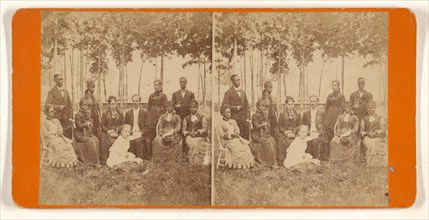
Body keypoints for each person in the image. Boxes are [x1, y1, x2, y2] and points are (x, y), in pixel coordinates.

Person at [250, 98, 278, 168]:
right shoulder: (254, 115)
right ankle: (270, 163)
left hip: (263, 133)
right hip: (257, 135)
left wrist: (267, 127)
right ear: (257, 106)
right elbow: (256, 126)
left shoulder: (264, 114)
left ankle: (274, 161)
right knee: (269, 142)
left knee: (273, 140)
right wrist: (263, 125)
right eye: (261, 106)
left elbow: (266, 124)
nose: (262, 107)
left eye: (263, 106)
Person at [171, 77, 196, 158]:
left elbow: (193, 105)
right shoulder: (175, 94)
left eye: (184, 82)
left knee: (186, 133)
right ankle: (177, 152)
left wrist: (182, 106)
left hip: (188, 117)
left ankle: (186, 152)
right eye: (181, 82)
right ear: (179, 83)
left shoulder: (191, 94)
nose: (182, 83)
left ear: (186, 82)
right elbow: (172, 106)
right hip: (178, 118)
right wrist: (176, 106)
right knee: (178, 134)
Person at [221, 74, 251, 140]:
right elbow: (224, 106)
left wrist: (248, 118)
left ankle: (246, 150)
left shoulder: (243, 92)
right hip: (234, 119)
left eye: (239, 80)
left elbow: (247, 106)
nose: (238, 81)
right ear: (232, 81)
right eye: (236, 80)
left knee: (245, 138)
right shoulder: (228, 92)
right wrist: (235, 108)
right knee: (236, 138)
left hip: (244, 120)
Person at [73, 97, 101, 166]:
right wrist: (86, 124)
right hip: (79, 134)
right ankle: (91, 161)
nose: (85, 107)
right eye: (83, 105)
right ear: (80, 105)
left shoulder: (87, 113)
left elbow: (90, 123)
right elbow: (79, 126)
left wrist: (91, 123)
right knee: (91, 141)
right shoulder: (78, 115)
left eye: (86, 105)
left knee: (96, 140)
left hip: (86, 133)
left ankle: (97, 161)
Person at [45, 74, 73, 139]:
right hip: (57, 119)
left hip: (67, 120)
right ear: (55, 81)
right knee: (59, 138)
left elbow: (70, 106)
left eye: (62, 79)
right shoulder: (51, 92)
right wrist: (59, 107)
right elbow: (47, 105)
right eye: (59, 79)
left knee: (68, 138)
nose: (61, 81)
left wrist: (71, 117)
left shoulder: (66, 92)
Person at [123, 95, 151, 160]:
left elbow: (147, 126)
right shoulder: (128, 113)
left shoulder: (145, 113)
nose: (135, 102)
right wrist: (129, 131)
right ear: (132, 102)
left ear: (139, 102)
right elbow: (125, 124)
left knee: (137, 141)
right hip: (130, 133)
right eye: (134, 101)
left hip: (141, 133)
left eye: (137, 101)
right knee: (130, 141)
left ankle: (139, 159)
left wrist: (141, 132)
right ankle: (131, 159)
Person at [182, 100, 210, 164]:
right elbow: (183, 130)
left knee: (198, 142)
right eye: (191, 107)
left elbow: (205, 129)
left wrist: (198, 132)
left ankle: (199, 160)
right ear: (189, 108)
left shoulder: (202, 117)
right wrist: (188, 133)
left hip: (199, 136)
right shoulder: (186, 118)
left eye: (194, 107)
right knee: (192, 142)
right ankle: (192, 159)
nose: (192, 109)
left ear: (197, 108)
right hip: (189, 137)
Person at [301, 95, 328, 160]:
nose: (312, 103)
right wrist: (306, 133)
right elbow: (303, 125)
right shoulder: (306, 113)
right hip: (308, 133)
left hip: (318, 134)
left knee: (315, 141)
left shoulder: (322, 113)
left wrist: (319, 133)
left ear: (317, 103)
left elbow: (326, 125)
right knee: (307, 141)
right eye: (311, 101)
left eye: (314, 101)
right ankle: (308, 159)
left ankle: (317, 159)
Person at [360, 101, 387, 166]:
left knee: (375, 143)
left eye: (372, 108)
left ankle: (374, 162)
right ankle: (369, 161)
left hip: (377, 137)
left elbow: (383, 129)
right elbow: (361, 130)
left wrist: (376, 132)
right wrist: (367, 133)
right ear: (367, 109)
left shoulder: (380, 118)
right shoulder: (364, 119)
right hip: (367, 137)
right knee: (369, 143)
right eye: (369, 108)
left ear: (375, 108)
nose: (370, 110)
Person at [277, 96, 301, 166]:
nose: (290, 106)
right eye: (289, 104)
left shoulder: (298, 114)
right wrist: (285, 131)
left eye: (292, 104)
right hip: (285, 133)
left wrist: (295, 130)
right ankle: (282, 161)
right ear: (286, 105)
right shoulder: (282, 114)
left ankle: (294, 160)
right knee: (281, 141)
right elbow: (279, 126)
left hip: (294, 133)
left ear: (294, 105)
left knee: (297, 141)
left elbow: (299, 124)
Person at [99, 95, 123, 165]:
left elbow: (122, 123)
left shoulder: (120, 113)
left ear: (116, 104)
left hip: (117, 132)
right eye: (111, 104)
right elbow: (102, 125)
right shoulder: (105, 114)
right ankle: (105, 160)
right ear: (109, 104)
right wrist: (108, 131)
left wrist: (118, 129)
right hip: (108, 133)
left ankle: (117, 160)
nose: (113, 106)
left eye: (114, 104)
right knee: (104, 141)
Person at [325, 80, 346, 144]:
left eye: (335, 85)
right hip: (330, 115)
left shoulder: (341, 96)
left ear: (338, 86)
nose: (333, 87)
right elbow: (326, 108)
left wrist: (340, 118)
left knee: (336, 130)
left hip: (337, 115)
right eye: (332, 85)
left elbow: (343, 108)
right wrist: (326, 117)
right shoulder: (329, 96)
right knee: (329, 131)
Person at [147, 80, 167, 144]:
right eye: (155, 85)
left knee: (158, 129)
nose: (155, 86)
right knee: (151, 130)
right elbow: (148, 107)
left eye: (157, 85)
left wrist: (162, 116)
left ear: (161, 86)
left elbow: (165, 107)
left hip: (159, 114)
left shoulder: (163, 95)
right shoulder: (151, 95)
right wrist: (148, 115)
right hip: (152, 115)